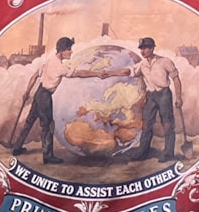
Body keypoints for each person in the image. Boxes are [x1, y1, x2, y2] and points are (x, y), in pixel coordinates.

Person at [12, 36, 103, 164]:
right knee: (47, 126)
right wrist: (97, 74)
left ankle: (16, 148)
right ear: (62, 50)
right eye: (69, 49)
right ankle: (48, 156)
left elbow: (34, 77)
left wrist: (27, 92)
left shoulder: (48, 60)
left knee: (29, 121)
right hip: (44, 97)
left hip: (39, 93)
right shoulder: (59, 66)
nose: (71, 52)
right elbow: (79, 73)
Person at [108, 36, 183, 161]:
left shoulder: (165, 61)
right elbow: (128, 71)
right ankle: (143, 152)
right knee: (147, 124)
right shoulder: (142, 64)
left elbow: (175, 78)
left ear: (152, 48)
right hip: (151, 96)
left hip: (164, 94)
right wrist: (109, 73)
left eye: (146, 48)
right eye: (141, 49)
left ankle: (168, 154)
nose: (143, 51)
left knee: (168, 124)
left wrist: (179, 97)